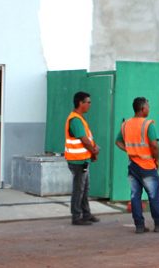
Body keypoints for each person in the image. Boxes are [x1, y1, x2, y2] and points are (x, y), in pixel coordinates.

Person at [115, 97, 159, 233]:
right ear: (143, 108)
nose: (149, 109)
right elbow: (154, 145)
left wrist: (131, 150)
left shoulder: (126, 124)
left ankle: (139, 226)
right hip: (147, 166)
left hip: (132, 165)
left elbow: (118, 142)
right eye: (148, 106)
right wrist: (157, 160)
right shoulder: (147, 124)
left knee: (135, 196)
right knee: (154, 195)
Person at [65, 91, 100, 226]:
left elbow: (87, 140)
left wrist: (92, 153)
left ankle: (86, 214)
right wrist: (94, 152)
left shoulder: (79, 118)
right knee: (79, 188)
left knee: (84, 188)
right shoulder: (75, 120)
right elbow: (84, 140)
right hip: (77, 160)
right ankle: (76, 216)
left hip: (83, 159)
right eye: (88, 102)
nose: (90, 105)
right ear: (81, 103)